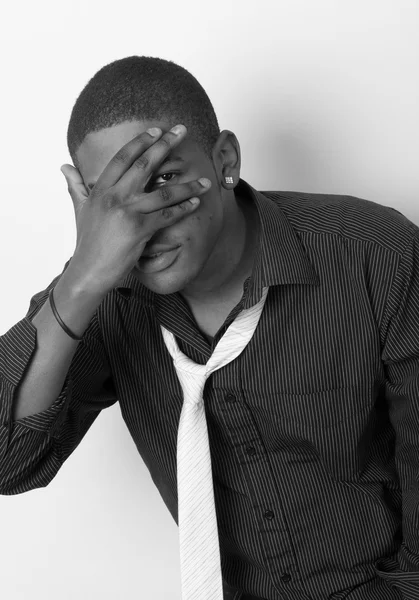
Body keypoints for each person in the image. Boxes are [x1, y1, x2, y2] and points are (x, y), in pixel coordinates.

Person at [0, 55, 418, 600]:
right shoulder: (103, 294)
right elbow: (9, 463)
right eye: (113, 201)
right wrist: (81, 280)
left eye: (164, 180)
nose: (139, 225)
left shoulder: (374, 255)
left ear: (224, 159)